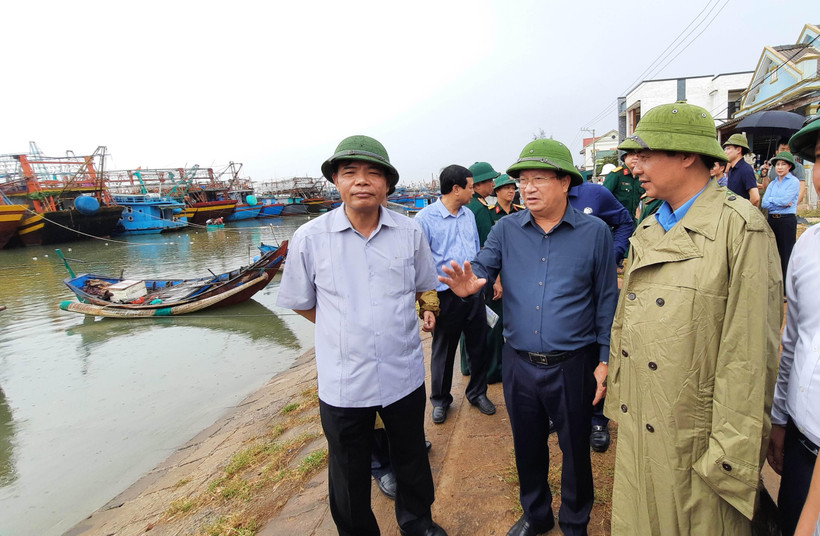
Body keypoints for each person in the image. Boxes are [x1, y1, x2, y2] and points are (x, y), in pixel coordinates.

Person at [606, 101, 782, 536]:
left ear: (687, 156)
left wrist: (729, 459)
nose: (635, 167)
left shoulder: (741, 229)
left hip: (697, 438)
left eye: (646, 155)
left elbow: (748, 360)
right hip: (644, 421)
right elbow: (624, 325)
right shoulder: (648, 227)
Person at [439, 138, 618, 536]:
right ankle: (536, 514)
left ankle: (574, 521)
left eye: (539, 178)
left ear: (565, 182)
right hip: (520, 362)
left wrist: (605, 359)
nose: (528, 187)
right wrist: (474, 281)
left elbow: (607, 300)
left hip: (574, 363)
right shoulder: (506, 229)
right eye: (523, 180)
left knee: (575, 449)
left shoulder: (595, 234)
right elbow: (484, 262)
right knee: (527, 446)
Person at [276, 135, 447, 536]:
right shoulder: (310, 238)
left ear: (387, 183)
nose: (362, 181)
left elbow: (426, 284)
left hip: (401, 371)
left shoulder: (410, 233)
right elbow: (301, 300)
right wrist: (344, 327)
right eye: (350, 172)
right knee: (348, 470)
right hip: (343, 379)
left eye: (373, 173)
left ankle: (418, 523)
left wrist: (427, 309)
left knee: (409, 457)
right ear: (336, 181)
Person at [768, 113, 820, 536]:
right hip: (803, 444)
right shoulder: (808, 248)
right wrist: (780, 418)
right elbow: (794, 340)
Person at [414, 164, 496, 424]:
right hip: (445, 294)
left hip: (471, 291)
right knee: (443, 351)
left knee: (478, 346)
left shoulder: (468, 215)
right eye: (470, 186)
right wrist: (426, 304)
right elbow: (420, 263)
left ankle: (477, 393)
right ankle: (440, 400)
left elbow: (474, 249)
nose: (473, 191)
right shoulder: (425, 219)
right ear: (456, 188)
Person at [566, 176, 633, 453]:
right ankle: (562, 411)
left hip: (597, 285)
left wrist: (613, 254)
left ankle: (598, 419)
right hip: (564, 290)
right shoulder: (536, 203)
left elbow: (625, 222)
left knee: (600, 344)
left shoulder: (594, 194)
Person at [761, 150, 800, 294]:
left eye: (783, 164)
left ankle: (785, 289)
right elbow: (765, 203)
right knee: (772, 253)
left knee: (786, 254)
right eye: (777, 164)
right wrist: (779, 202)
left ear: (789, 166)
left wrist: (778, 201)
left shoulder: (794, 182)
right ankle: (774, 286)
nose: (780, 167)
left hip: (786, 221)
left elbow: (785, 201)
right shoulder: (772, 184)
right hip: (772, 219)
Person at [603, 151, 643, 225]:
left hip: (632, 221)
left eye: (638, 155)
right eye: (631, 155)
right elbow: (603, 197)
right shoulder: (616, 174)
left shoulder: (640, 177)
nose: (635, 158)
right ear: (624, 157)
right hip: (616, 221)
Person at [466, 161, 500, 246]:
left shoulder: (468, 203)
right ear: (477, 185)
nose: (493, 184)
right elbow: (485, 242)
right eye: (490, 181)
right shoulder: (480, 208)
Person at [723, 133, 761, 206]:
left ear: (738, 150)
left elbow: (755, 198)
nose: (725, 152)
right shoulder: (731, 169)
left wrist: (745, 213)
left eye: (728, 148)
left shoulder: (746, 169)